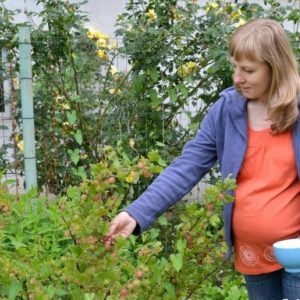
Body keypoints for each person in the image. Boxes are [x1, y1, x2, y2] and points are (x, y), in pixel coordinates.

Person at [103, 18, 300, 299]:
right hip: (252, 254)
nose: (237, 78)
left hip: (297, 253)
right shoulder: (226, 111)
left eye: (248, 70)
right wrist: (136, 213)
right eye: (235, 67)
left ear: (275, 67)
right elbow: (187, 167)